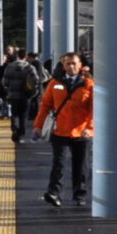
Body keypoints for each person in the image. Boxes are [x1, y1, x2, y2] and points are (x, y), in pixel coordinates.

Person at [36, 51, 95, 205]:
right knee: (59, 163)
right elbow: (45, 105)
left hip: (81, 131)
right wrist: (38, 126)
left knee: (81, 164)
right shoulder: (55, 83)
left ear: (80, 65)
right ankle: (54, 193)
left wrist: (90, 127)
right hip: (60, 129)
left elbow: (94, 109)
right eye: (67, 63)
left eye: (74, 63)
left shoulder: (88, 84)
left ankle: (80, 194)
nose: (71, 66)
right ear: (63, 65)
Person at [1, 50, 44, 147]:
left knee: (14, 113)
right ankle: (20, 133)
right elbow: (35, 80)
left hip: (13, 94)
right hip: (26, 95)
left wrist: (9, 88)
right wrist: (33, 91)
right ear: (25, 56)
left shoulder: (10, 66)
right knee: (23, 115)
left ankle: (14, 128)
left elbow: (4, 81)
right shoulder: (29, 67)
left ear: (17, 56)